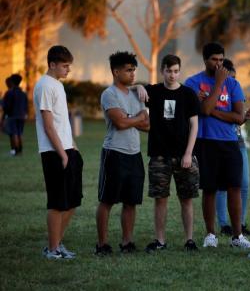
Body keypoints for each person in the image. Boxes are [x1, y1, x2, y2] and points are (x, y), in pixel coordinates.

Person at [185, 42, 250, 248]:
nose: (218, 64)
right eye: (214, 59)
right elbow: (203, 111)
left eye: (221, 59)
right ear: (205, 60)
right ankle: (210, 235)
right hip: (205, 142)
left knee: (235, 187)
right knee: (210, 189)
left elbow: (237, 117)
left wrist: (211, 108)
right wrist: (217, 84)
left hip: (229, 142)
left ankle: (237, 236)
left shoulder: (233, 84)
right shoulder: (193, 82)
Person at [140, 54, 200, 252]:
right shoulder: (154, 91)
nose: (172, 75)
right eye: (168, 71)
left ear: (179, 71)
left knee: (187, 199)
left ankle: (189, 240)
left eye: (176, 71)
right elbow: (128, 89)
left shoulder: (188, 94)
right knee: (160, 199)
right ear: (162, 71)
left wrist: (188, 154)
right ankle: (160, 241)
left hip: (184, 155)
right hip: (159, 155)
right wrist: (139, 86)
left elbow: (194, 125)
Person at [95, 51, 149, 255]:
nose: (133, 74)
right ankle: (102, 244)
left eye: (134, 70)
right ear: (116, 72)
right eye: (128, 70)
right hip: (114, 153)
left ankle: (127, 243)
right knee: (107, 200)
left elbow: (148, 125)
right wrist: (137, 117)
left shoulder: (137, 94)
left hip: (134, 154)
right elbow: (119, 123)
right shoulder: (109, 94)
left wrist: (131, 118)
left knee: (130, 201)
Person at [33, 45, 84, 259]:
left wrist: (72, 147)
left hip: (68, 149)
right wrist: (62, 154)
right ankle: (52, 250)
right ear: (52, 64)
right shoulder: (45, 85)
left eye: (68, 66)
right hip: (54, 153)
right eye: (65, 66)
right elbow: (48, 125)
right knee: (57, 203)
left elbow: (62, 122)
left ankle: (56, 244)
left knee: (72, 201)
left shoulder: (57, 85)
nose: (68, 70)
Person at [215, 58, 250, 236]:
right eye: (228, 78)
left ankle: (241, 222)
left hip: (238, 141)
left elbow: (237, 120)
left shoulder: (236, 89)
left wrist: (244, 118)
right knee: (222, 186)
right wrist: (235, 117)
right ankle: (224, 224)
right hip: (220, 142)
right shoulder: (215, 93)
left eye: (234, 78)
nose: (232, 82)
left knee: (243, 183)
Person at [2, 74, 28, 156]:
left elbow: (6, 106)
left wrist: (4, 116)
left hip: (12, 116)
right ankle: (20, 150)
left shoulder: (9, 92)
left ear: (12, 82)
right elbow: (26, 105)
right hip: (22, 116)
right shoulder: (23, 93)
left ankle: (16, 150)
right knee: (20, 133)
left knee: (14, 133)